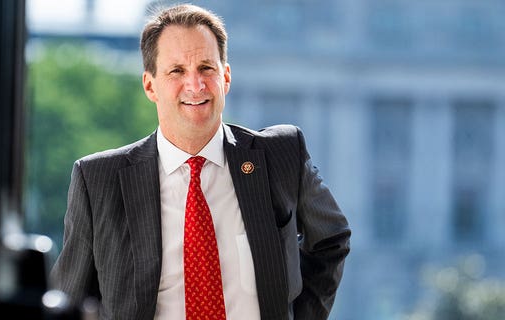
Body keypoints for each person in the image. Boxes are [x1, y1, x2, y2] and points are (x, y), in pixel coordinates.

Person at [49, 4, 351, 320]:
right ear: (150, 85)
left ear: (226, 77)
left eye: (206, 68)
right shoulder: (98, 179)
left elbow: (331, 238)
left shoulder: (280, 154)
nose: (195, 85)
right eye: (177, 71)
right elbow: (68, 300)